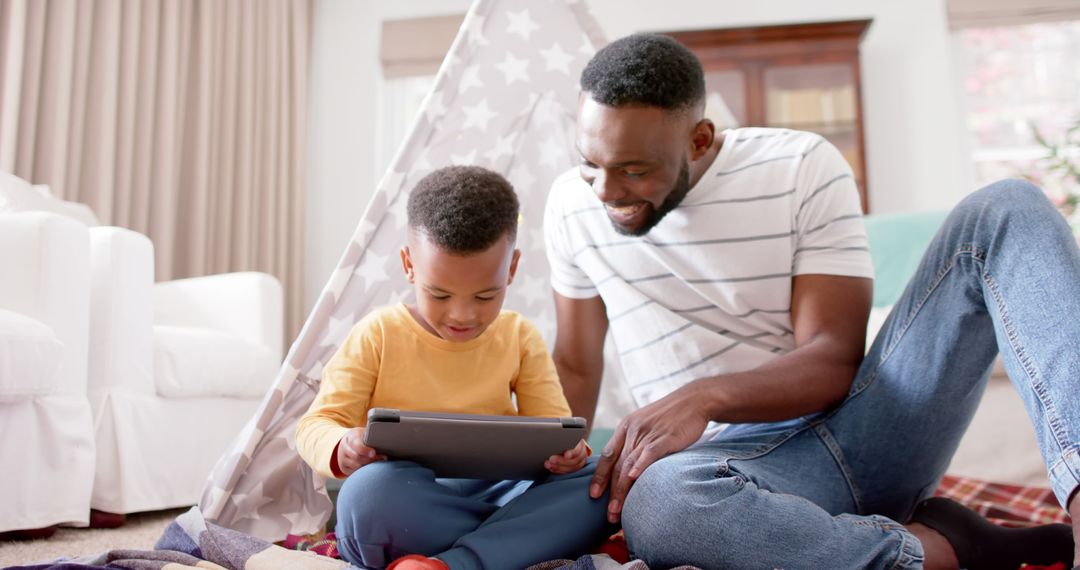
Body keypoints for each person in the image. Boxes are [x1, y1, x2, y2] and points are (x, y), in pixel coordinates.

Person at [544, 33, 1079, 569]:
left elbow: (831, 360)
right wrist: (544, 460)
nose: (605, 191)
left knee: (1007, 207)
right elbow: (576, 362)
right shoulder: (571, 206)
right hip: (727, 478)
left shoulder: (799, 166)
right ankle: (943, 548)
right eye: (591, 163)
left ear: (700, 140)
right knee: (661, 506)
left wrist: (702, 397)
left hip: (857, 433)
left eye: (634, 170)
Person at [297, 166, 612, 570]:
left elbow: (555, 428)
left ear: (511, 269)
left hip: (498, 493)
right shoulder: (378, 333)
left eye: (485, 295)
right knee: (366, 496)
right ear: (409, 265)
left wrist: (570, 454)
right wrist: (342, 447)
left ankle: (452, 563)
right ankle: (514, 543)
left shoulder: (519, 335)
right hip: (413, 498)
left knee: (598, 477)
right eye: (439, 294)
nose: (462, 315)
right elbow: (315, 425)